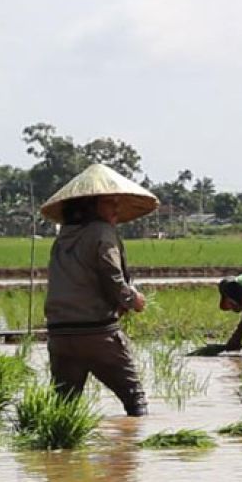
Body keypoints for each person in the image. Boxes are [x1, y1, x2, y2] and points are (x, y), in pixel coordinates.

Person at [41, 163, 159, 417]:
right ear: (91, 205)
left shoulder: (63, 237)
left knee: (64, 406)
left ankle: (58, 451)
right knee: (134, 397)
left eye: (117, 202)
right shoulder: (102, 232)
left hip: (60, 333)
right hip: (96, 333)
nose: (116, 208)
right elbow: (111, 274)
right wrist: (132, 300)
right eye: (109, 202)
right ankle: (133, 450)